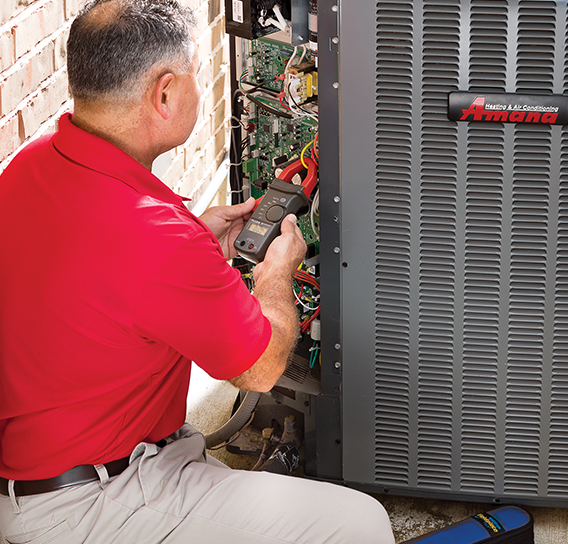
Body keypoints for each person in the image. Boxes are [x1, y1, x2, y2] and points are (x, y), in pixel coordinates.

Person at [0, 0, 394, 542]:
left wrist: (193, 236)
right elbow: (257, 369)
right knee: (359, 523)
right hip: (93, 502)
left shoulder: (30, 165)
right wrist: (275, 278)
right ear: (164, 94)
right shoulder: (160, 241)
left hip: (42, 474)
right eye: (195, 76)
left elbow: (95, 269)